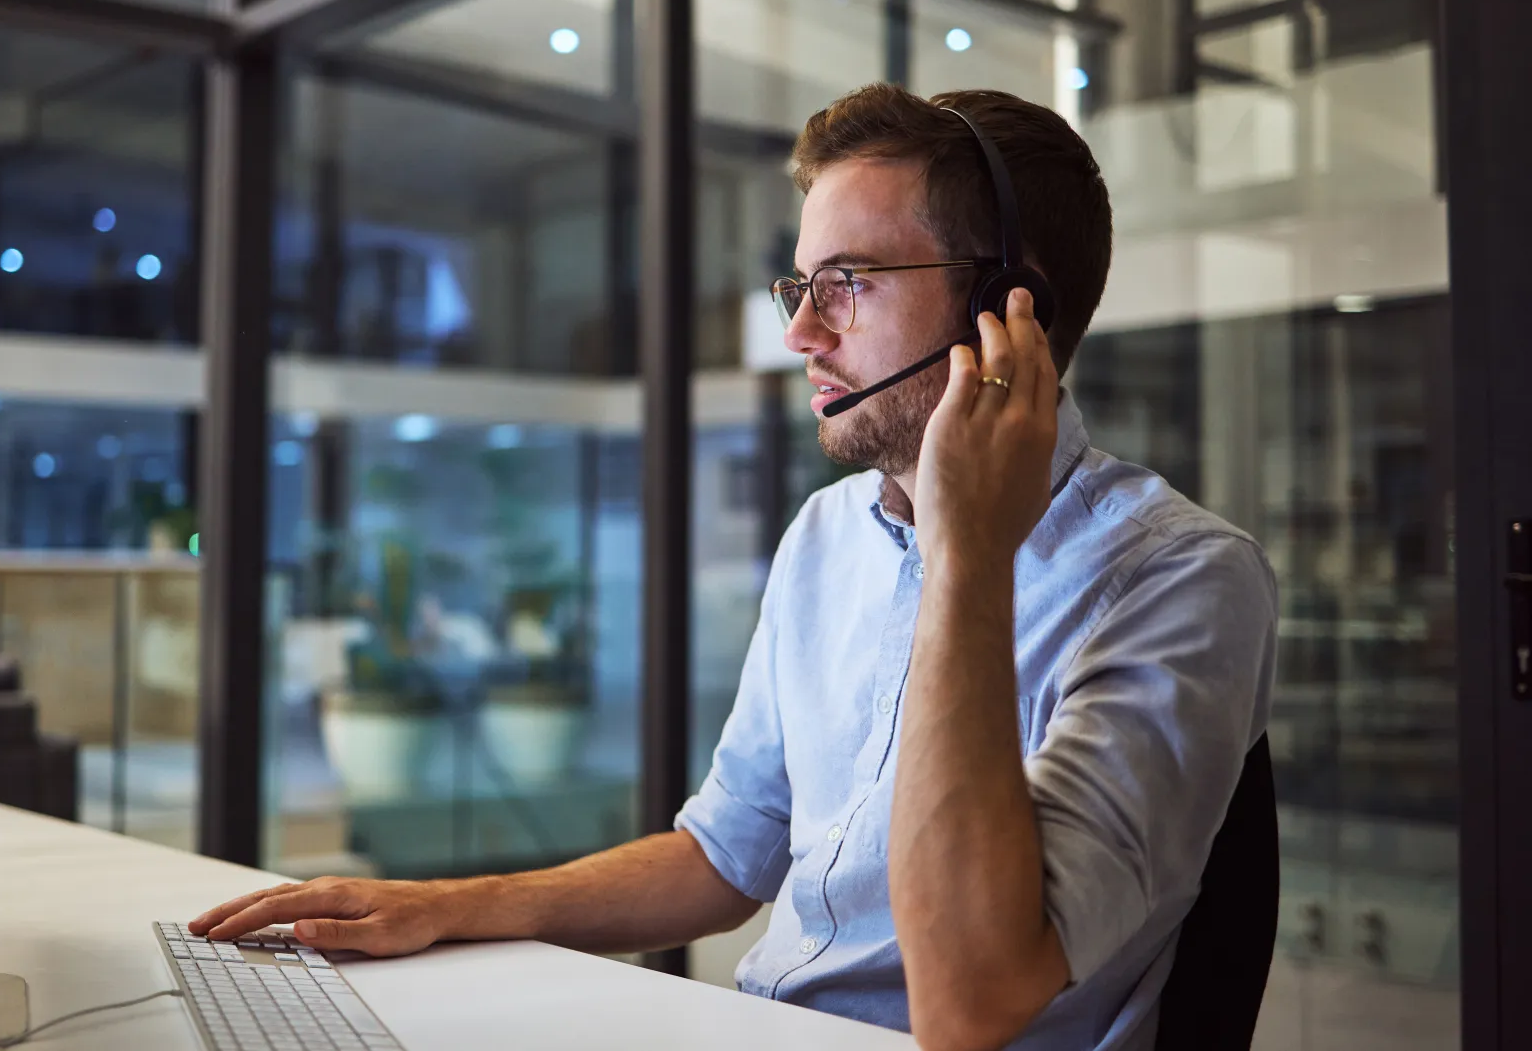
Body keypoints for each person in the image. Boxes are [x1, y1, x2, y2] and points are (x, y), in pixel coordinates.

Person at [191, 84, 1277, 1051]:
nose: (802, 332)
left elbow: (971, 1006)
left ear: (1005, 311)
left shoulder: (1182, 581)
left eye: (846, 282)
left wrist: (968, 553)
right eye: (798, 285)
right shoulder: (825, 536)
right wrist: (446, 905)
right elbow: (726, 858)